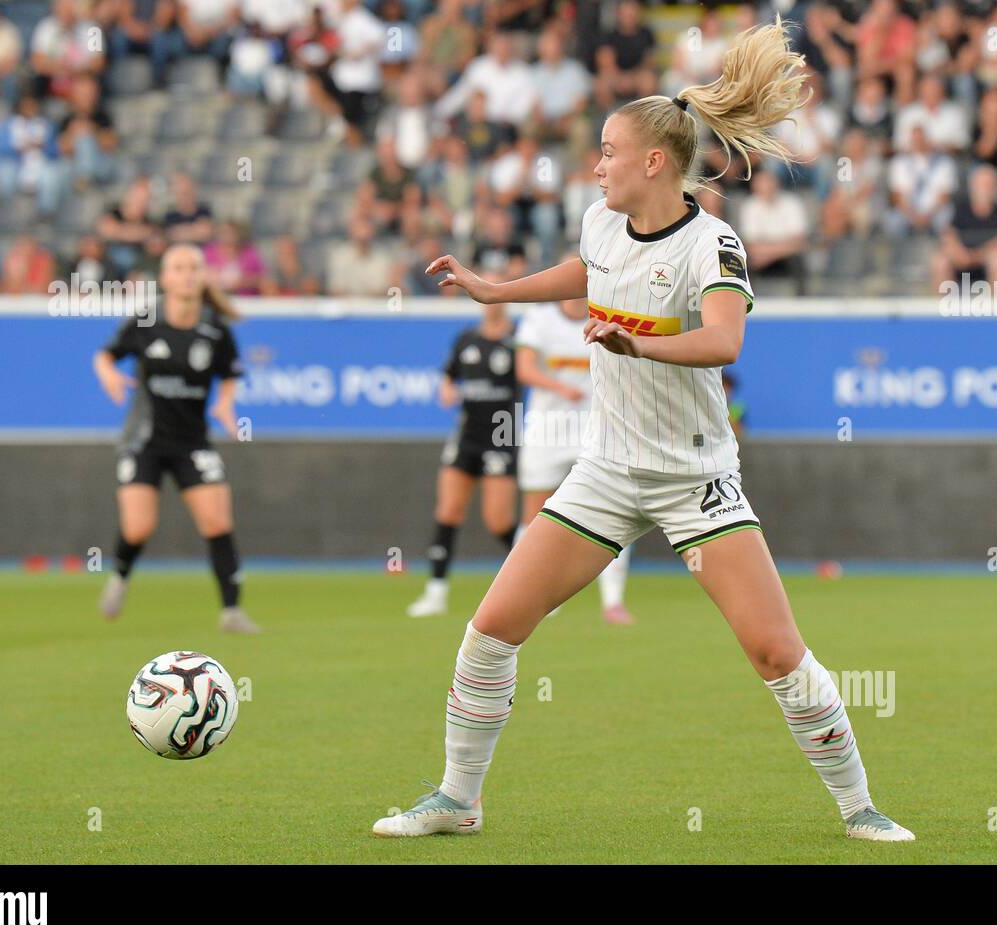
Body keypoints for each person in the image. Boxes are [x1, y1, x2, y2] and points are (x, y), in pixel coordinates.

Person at [374, 22, 914, 842]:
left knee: (775, 652)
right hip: (607, 469)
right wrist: (495, 291)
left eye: (607, 151)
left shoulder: (712, 244)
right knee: (489, 631)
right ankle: (458, 798)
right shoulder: (599, 221)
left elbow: (725, 341)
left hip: (697, 477)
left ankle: (859, 806)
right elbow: (585, 272)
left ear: (653, 162)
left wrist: (638, 341)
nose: (597, 165)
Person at [93, 244, 260, 633]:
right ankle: (120, 577)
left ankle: (232, 612)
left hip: (192, 442)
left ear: (203, 277)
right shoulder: (146, 321)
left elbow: (232, 373)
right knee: (137, 528)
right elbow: (104, 356)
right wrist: (110, 376)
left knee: (218, 522)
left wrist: (225, 405)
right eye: (179, 268)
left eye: (194, 268)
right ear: (165, 278)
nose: (187, 274)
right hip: (145, 441)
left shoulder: (215, 329)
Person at [515, 255, 632, 625]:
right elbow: (525, 368)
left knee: (616, 511)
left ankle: (612, 602)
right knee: (534, 512)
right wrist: (559, 387)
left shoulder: (608, 314)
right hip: (547, 429)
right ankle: (531, 595)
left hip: (595, 429)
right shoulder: (540, 320)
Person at [407, 272, 520, 618]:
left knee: (498, 521)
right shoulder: (466, 340)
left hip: (503, 432)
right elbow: (447, 377)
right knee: (448, 511)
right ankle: (436, 591)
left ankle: (535, 581)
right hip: (466, 434)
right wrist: (445, 389)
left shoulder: (519, 341)